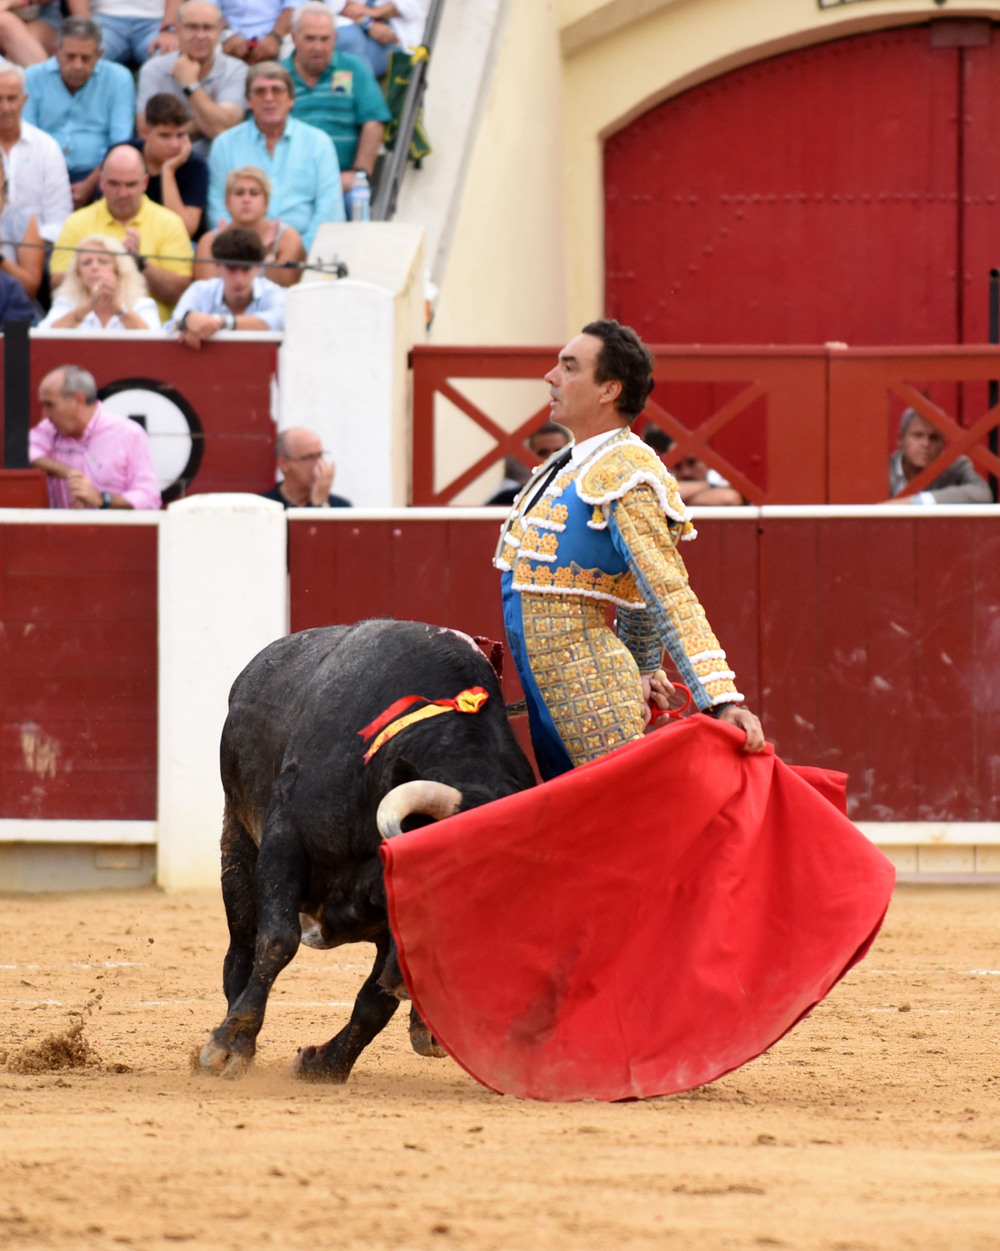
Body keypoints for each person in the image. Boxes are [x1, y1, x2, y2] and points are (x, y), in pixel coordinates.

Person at [494, 319, 764, 781]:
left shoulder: (628, 470)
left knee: (619, 825)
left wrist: (720, 700)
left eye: (569, 367)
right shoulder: (566, 463)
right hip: (554, 685)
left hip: (591, 689)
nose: (551, 378)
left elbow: (665, 587)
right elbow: (636, 591)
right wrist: (643, 669)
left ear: (608, 390)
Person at [207, 60, 343, 252]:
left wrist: (298, 253)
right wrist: (248, 253)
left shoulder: (319, 143)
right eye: (260, 91)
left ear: (291, 100)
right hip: (240, 255)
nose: (269, 98)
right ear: (248, 101)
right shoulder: (225, 144)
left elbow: (330, 211)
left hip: (303, 252)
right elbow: (218, 210)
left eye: (277, 90)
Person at [50, 142, 193, 322]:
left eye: (131, 185)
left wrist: (140, 263)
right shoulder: (76, 222)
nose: (122, 193)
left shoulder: (170, 223)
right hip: (87, 329)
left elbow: (179, 293)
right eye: (114, 184)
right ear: (101, 182)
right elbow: (56, 283)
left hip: (152, 338)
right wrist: (100, 271)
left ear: (145, 183)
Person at [283, 2, 388, 203]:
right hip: (290, 182)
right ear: (294, 38)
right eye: (310, 39)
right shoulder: (279, 76)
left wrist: (359, 173)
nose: (318, 47)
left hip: (342, 182)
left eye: (325, 39)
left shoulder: (351, 68)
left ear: (336, 38)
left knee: (358, 202)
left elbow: (374, 122)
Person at [23, 18, 135, 208]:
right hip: (42, 172)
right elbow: (27, 138)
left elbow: (119, 143)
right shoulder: (32, 77)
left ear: (99, 55)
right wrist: (53, 185)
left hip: (99, 174)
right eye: (70, 56)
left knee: (119, 183)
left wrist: (91, 183)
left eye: (85, 58)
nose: (77, 65)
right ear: (55, 52)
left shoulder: (118, 78)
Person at [29, 364, 162, 509]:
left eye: (50, 405)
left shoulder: (128, 433)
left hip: (113, 531)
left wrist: (102, 498)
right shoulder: (48, 429)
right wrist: (70, 473)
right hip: (59, 531)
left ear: (78, 399)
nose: (45, 415)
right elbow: (22, 454)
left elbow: (149, 498)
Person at [136, 0, 247, 158]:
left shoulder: (237, 70)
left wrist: (190, 84)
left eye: (207, 28)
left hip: (217, 165)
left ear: (220, 30)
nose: (200, 36)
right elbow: (146, 132)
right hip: (165, 163)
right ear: (177, 29)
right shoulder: (153, 69)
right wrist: (207, 120)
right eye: (192, 27)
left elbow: (223, 132)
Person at [167, 224, 284, 344]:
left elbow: (278, 320)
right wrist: (186, 321)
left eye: (246, 269)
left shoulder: (274, 292)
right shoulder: (200, 290)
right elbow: (170, 326)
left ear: (259, 267)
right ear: (217, 265)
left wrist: (217, 322)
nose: (239, 279)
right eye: (231, 269)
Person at [0, 58, 72, 242]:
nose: (5, 108)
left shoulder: (47, 148)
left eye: (12, 98)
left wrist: (28, 246)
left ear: (24, 100)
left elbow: (59, 220)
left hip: (38, 250)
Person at [194, 164, 302, 285]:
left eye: (254, 193)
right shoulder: (209, 241)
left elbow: (287, 286)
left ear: (266, 203)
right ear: (227, 203)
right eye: (239, 193)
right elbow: (207, 291)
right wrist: (224, 253)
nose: (246, 199)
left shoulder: (287, 237)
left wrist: (269, 257)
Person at [39, 232, 160, 328]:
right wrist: (89, 306)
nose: (94, 267)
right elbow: (43, 336)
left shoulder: (141, 304)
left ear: (118, 271)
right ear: (78, 273)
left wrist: (119, 309)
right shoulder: (66, 302)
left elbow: (156, 340)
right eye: (86, 263)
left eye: (103, 261)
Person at [886, 407, 992, 504]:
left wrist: (915, 502)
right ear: (900, 439)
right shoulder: (884, 469)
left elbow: (982, 493)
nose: (926, 443)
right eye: (918, 435)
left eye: (934, 438)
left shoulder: (955, 466)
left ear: (943, 443)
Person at [138, 92, 207, 237]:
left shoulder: (196, 167)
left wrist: (168, 171)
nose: (175, 144)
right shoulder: (125, 155)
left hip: (175, 243)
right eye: (165, 135)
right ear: (145, 133)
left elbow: (185, 231)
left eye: (180, 135)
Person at [155, 0, 296, 64]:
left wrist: (275, 37)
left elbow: (294, 6)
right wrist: (227, 36)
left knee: (291, 54)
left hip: (278, 33)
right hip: (224, 32)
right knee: (201, 50)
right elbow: (208, 7)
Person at [642, 423, 744, 506]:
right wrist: (708, 486)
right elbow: (653, 495)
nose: (686, 472)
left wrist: (676, 499)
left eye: (692, 463)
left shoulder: (720, 476)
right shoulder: (666, 478)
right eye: (678, 466)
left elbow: (729, 498)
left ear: (707, 461)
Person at [331, 0, 427, 80]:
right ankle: (344, 96)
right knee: (346, 39)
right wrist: (367, 22)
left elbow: (412, 7)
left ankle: (346, 95)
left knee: (349, 47)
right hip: (354, 26)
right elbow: (338, 6)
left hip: (396, 35)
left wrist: (371, 12)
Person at [262, 425, 351, 506]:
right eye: (310, 457)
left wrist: (321, 503)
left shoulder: (340, 506)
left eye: (320, 455)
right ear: (284, 464)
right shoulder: (264, 506)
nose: (319, 464)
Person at [485, 422, 570, 506]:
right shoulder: (508, 500)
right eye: (543, 452)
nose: (551, 457)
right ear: (530, 454)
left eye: (558, 451)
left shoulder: (581, 491)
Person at [0, 164, 43, 302]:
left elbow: (30, 291)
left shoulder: (23, 220)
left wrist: (1, 259)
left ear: (2, 177)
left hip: (13, 314)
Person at [90, 0, 166, 68]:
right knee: (87, 58)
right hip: (104, 18)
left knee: (166, 61)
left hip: (155, 21)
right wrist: (86, 25)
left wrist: (168, 29)